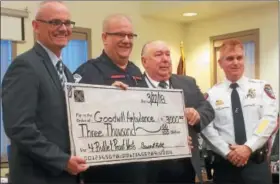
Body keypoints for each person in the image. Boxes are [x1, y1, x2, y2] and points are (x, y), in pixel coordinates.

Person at [1, 2, 88, 184]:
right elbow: (19, 127)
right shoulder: (25, 66)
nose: (63, 28)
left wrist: (113, 95)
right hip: (38, 177)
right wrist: (63, 161)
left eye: (67, 23)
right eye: (55, 22)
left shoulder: (66, 72)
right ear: (36, 26)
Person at [73, 14, 146, 183]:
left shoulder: (136, 72)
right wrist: (104, 97)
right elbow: (74, 113)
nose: (126, 40)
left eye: (130, 35)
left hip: (138, 169)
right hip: (105, 173)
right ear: (105, 37)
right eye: (120, 34)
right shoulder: (87, 71)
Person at [137, 40, 215, 184]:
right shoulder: (133, 86)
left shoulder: (187, 83)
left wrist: (197, 115)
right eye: (159, 55)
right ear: (144, 61)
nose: (165, 59)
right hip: (147, 169)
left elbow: (208, 110)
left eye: (168, 54)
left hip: (184, 167)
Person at [201, 39, 278, 184]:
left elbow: (268, 120)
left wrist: (248, 147)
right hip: (225, 166)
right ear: (220, 63)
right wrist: (228, 152)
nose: (235, 62)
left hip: (256, 165)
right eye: (229, 58)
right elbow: (207, 129)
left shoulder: (261, 88)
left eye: (239, 57)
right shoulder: (211, 95)